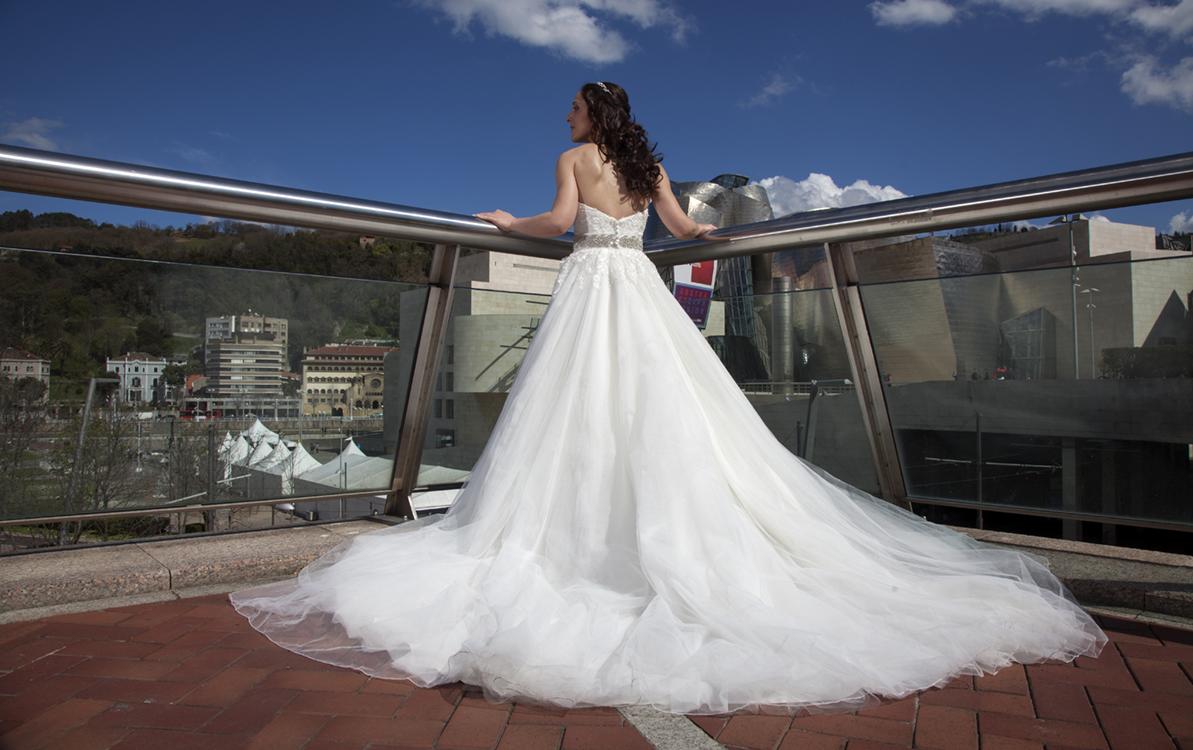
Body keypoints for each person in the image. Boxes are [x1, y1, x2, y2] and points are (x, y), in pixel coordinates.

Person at [232, 82, 1104, 715]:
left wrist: (502, 224)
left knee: (573, 411)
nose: (564, 118)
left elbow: (554, 222)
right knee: (664, 407)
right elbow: (686, 233)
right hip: (639, 294)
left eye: (571, 107)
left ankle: (579, 533)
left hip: (587, 288)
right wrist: (715, 231)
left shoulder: (574, 158)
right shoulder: (649, 163)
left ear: (588, 116)